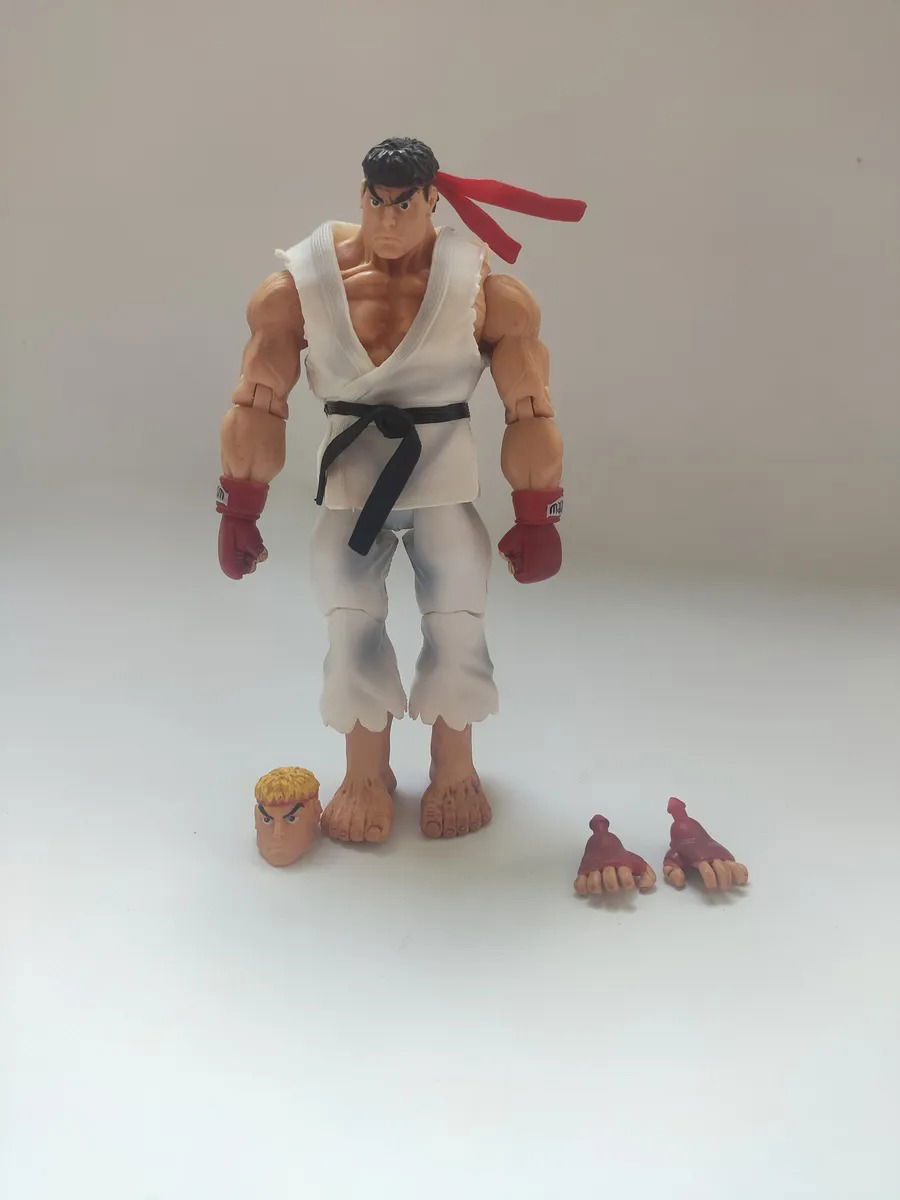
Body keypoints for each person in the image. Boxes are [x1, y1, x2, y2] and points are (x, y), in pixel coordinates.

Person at [216, 137, 585, 845]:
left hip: (442, 477)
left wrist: (539, 511)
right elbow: (260, 397)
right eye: (376, 202)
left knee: (458, 617)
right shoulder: (301, 282)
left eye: (404, 205)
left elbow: (529, 404)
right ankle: (364, 772)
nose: (388, 220)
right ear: (361, 195)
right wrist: (241, 502)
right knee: (347, 617)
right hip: (351, 485)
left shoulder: (484, 285)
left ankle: (455, 768)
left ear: (432, 201)